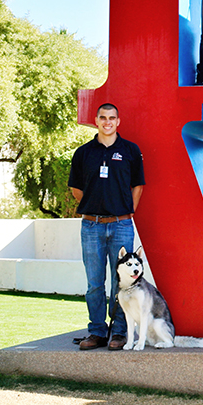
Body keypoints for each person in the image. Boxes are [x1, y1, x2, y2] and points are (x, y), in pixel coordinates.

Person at [68, 103, 145, 351]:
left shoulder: (131, 151)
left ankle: (120, 333)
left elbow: (138, 186)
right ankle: (97, 331)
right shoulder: (83, 153)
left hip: (122, 225)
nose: (107, 122)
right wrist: (95, 207)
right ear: (96, 120)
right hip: (91, 226)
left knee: (121, 282)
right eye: (103, 118)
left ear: (118, 121)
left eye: (112, 118)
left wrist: (124, 211)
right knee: (94, 283)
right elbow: (76, 189)